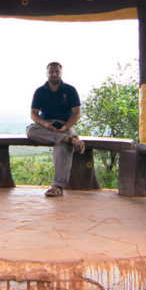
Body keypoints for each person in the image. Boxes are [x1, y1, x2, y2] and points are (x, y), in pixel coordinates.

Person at [26, 61, 85, 197]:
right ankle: (68, 140)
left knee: (62, 146)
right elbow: (33, 114)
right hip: (47, 126)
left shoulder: (70, 90)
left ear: (61, 72)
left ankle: (57, 186)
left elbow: (77, 113)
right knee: (31, 131)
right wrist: (45, 124)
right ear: (47, 73)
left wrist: (65, 127)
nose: (53, 74)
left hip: (66, 124)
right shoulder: (40, 91)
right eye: (51, 72)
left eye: (56, 71)